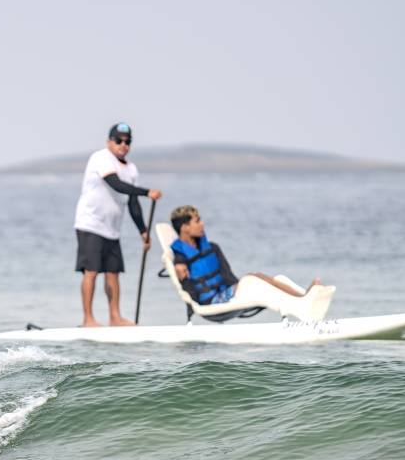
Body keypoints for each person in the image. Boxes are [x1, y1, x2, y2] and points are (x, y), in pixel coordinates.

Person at [74, 122, 162, 326]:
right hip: (90, 223)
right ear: (109, 142)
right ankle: (88, 319)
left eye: (127, 141)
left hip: (112, 229)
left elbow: (132, 202)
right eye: (118, 140)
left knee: (113, 273)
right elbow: (116, 185)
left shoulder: (131, 169)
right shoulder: (101, 158)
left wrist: (143, 231)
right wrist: (147, 192)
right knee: (91, 271)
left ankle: (115, 317)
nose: (123, 145)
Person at [169, 205, 322, 304]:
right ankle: (303, 298)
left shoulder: (212, 248)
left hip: (225, 293)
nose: (202, 224)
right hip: (210, 301)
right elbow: (182, 268)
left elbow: (227, 274)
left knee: (260, 278)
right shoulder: (180, 258)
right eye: (197, 221)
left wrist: (240, 286)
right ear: (185, 227)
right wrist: (178, 265)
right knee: (254, 279)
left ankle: (303, 296)